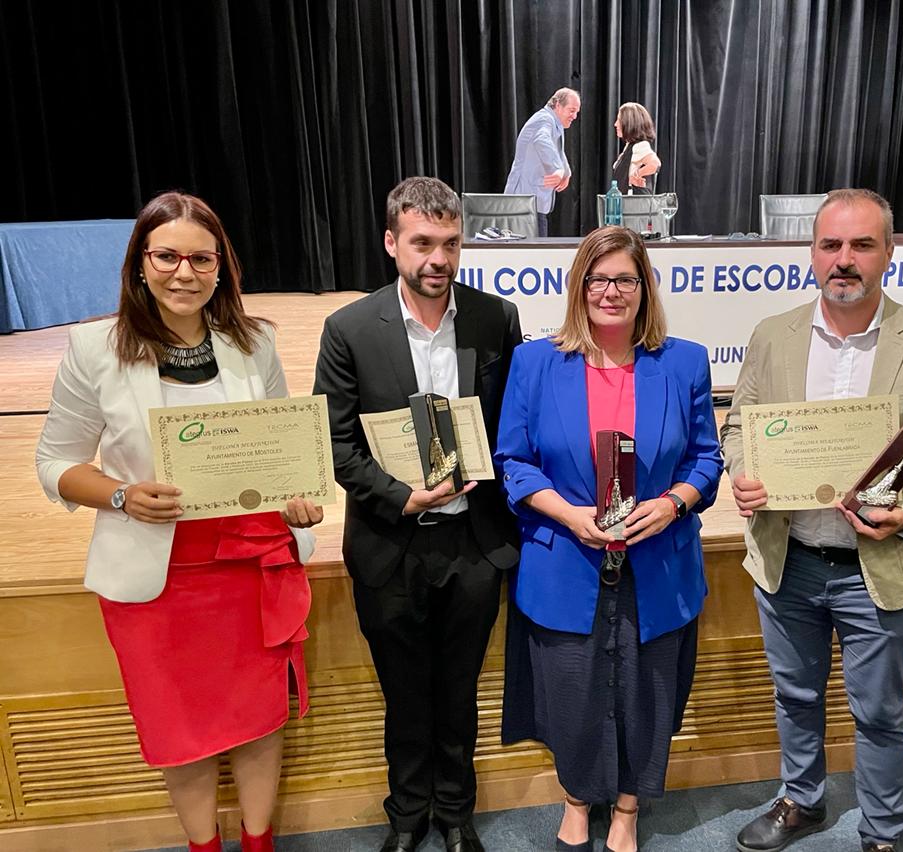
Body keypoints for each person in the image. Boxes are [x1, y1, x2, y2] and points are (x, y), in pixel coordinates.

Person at [35, 191, 324, 852]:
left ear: (221, 267)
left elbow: (281, 452)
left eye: (201, 258)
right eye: (166, 256)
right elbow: (56, 462)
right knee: (180, 735)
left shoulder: (254, 344)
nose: (184, 272)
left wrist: (297, 500)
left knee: (258, 724)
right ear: (140, 263)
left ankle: (258, 843)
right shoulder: (95, 350)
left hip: (250, 566)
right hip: (158, 581)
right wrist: (120, 496)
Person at [720, 189, 903, 852]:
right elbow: (738, 428)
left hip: (882, 566)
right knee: (796, 697)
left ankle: (884, 831)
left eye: (861, 245)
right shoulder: (771, 335)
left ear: (889, 254)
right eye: (831, 245)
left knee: (880, 713)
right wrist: (743, 474)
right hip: (791, 559)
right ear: (811, 254)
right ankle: (803, 801)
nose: (844, 260)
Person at [495, 225, 723, 852]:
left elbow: (707, 458)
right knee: (572, 694)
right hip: (567, 561)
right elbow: (513, 461)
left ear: (645, 287)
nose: (611, 291)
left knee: (649, 695)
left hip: (658, 562)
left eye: (626, 278)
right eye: (598, 279)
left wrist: (673, 504)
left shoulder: (684, 361)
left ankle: (626, 808)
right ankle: (576, 797)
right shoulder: (536, 362)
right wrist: (569, 514)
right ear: (579, 287)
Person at [313, 177, 521, 852]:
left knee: (460, 691)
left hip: (473, 541)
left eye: (451, 244)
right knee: (404, 696)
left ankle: (456, 815)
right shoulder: (348, 329)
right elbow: (335, 445)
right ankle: (407, 817)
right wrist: (401, 495)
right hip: (389, 542)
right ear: (392, 243)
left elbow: (514, 427)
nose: (438, 258)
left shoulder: (496, 319)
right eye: (423, 243)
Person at [504, 87, 580, 237]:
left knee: (538, 256)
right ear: (558, 105)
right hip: (522, 207)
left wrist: (566, 172)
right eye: (572, 110)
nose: (575, 116)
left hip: (532, 205)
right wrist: (558, 169)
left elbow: (558, 151)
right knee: (530, 258)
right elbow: (542, 140)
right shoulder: (543, 120)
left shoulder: (553, 122)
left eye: (577, 112)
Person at [612, 102, 661, 195]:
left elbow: (655, 163)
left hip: (634, 206)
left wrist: (636, 175)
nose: (615, 124)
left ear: (629, 123)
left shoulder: (640, 146)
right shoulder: (630, 146)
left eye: (619, 120)